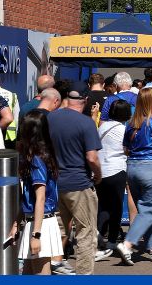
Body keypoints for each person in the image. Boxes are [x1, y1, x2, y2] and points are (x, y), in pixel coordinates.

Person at [45, 82, 103, 276]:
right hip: (79, 183)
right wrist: (99, 175)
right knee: (86, 232)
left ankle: (48, 269)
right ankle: (84, 275)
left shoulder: (50, 118)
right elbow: (92, 157)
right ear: (86, 100)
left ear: (67, 99)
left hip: (54, 183)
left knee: (55, 232)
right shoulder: (86, 123)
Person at [115, 87, 152, 264]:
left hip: (133, 167)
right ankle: (128, 243)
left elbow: (125, 149)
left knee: (147, 209)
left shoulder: (131, 124)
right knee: (149, 208)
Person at [14, 111, 65, 274]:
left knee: (40, 273)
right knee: (29, 273)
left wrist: (36, 235)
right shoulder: (41, 156)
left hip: (40, 223)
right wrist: (17, 222)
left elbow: (40, 198)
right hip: (37, 221)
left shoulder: (37, 159)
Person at [95, 99, 130, 260]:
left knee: (103, 206)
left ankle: (99, 235)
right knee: (116, 208)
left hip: (101, 171)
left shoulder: (102, 126)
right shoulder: (124, 130)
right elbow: (128, 149)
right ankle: (111, 241)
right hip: (117, 170)